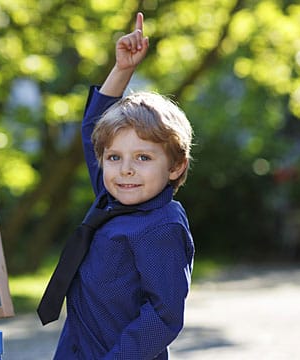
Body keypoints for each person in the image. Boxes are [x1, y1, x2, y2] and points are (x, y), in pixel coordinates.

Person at [53, 12, 195, 359]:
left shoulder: (162, 226)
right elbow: (93, 130)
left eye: (144, 158)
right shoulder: (110, 200)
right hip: (76, 349)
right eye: (115, 158)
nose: (126, 170)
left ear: (176, 167)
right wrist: (123, 70)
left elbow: (164, 315)